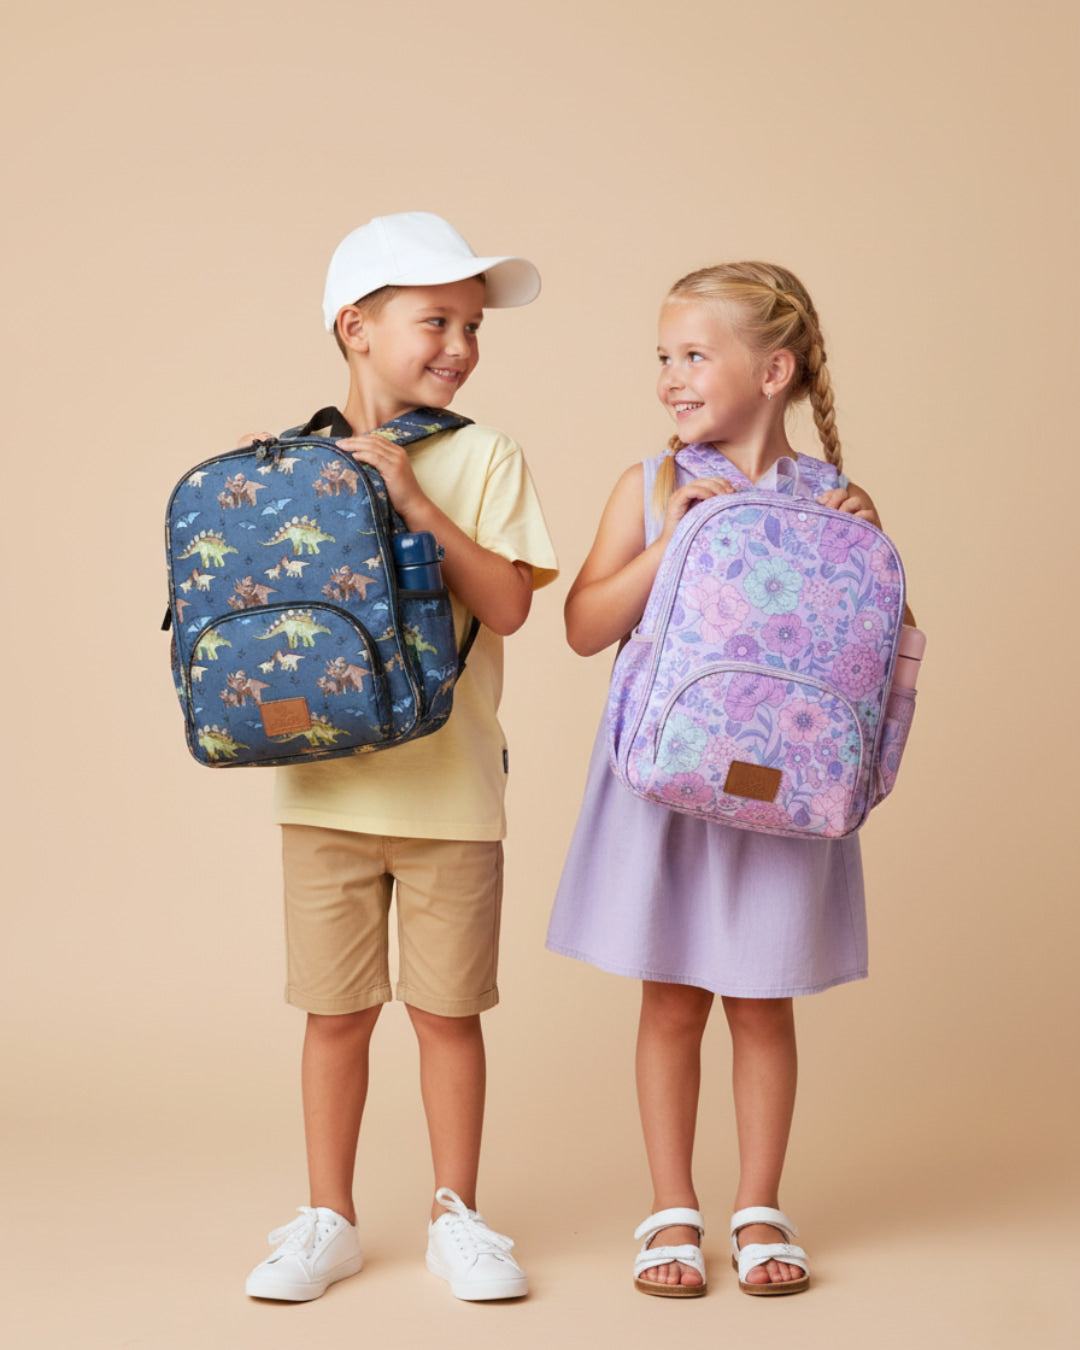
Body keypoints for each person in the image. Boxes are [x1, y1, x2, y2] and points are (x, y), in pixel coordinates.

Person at [547, 261, 889, 1299]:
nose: (671, 377)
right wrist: (674, 541)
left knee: (762, 1000)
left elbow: (869, 657)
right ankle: (671, 1208)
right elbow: (583, 625)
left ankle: (758, 1205)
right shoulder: (650, 487)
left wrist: (858, 540)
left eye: (695, 355)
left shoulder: (833, 501)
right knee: (670, 999)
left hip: (779, 791)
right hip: (668, 783)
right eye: (664, 356)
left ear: (773, 371)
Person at [244, 212, 558, 1304]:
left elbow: (509, 606)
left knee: (447, 1015)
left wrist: (417, 503)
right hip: (323, 788)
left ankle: (454, 1216)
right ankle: (327, 1218)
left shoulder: (485, 455)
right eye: (437, 320)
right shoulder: (290, 465)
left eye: (473, 327)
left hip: (451, 792)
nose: (460, 346)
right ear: (356, 326)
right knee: (333, 1015)